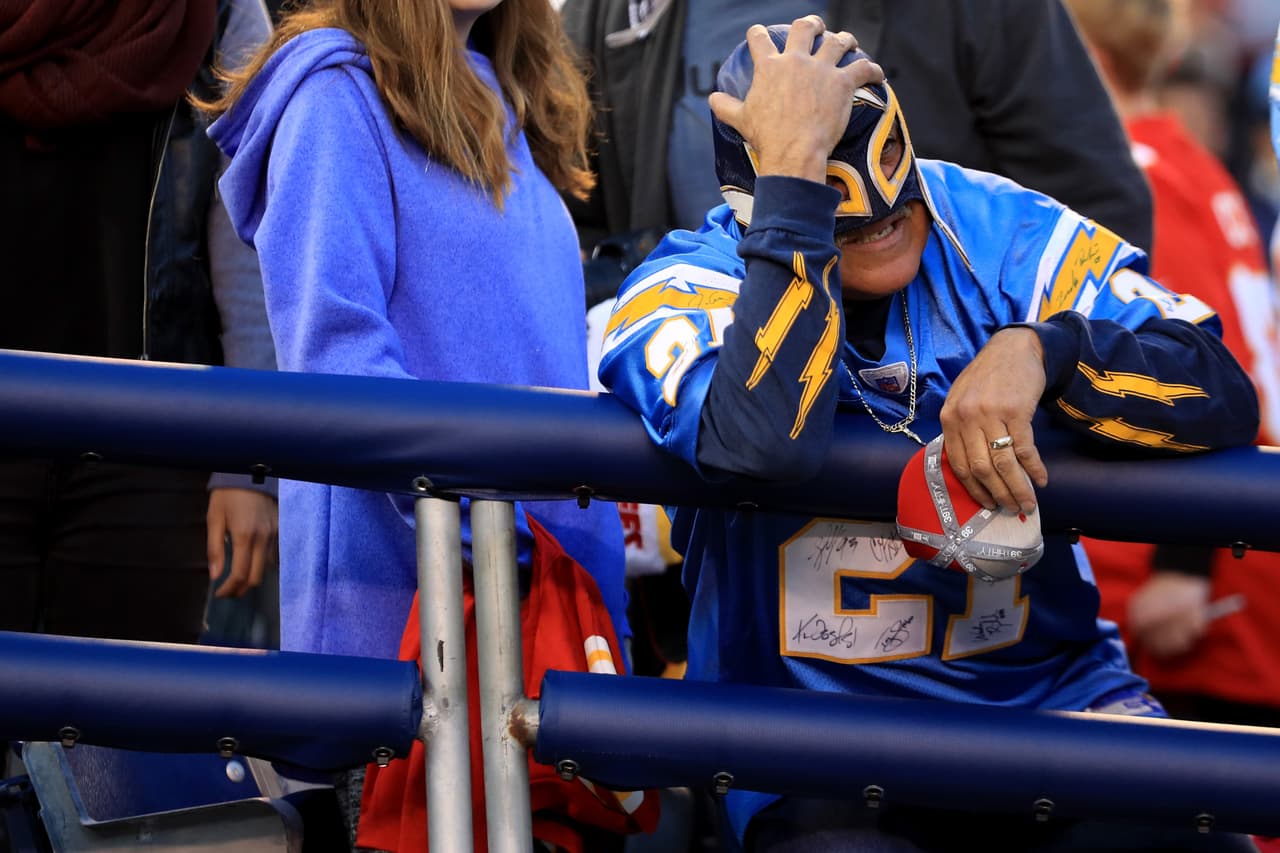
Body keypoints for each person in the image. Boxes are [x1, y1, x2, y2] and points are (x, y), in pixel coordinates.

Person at [598, 17, 1261, 852]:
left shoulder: (991, 226)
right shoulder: (685, 285)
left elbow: (1217, 380)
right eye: (828, 185)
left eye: (890, 191)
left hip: (1046, 699)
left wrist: (1046, 349)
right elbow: (761, 443)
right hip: (812, 740)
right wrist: (795, 202)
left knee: (1200, 839)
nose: (880, 220)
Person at [199, 0, 632, 846]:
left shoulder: (520, 96)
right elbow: (340, 360)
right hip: (412, 660)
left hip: (557, 658)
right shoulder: (333, 93)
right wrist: (496, 553)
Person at [562, 0, 1155, 306]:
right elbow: (571, 217)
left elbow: (1097, 209)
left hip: (934, 424)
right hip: (713, 420)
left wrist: (1021, 351)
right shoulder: (611, 10)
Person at [0, 0, 278, 645]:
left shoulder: (218, 14)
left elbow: (248, 250)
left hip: (150, 445)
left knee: (129, 732)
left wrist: (249, 467)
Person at [1065, 0, 1280, 731]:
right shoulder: (1185, 158)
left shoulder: (1138, 177)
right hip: (1222, 557)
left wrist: (1184, 565)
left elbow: (1213, 367)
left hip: (1204, 587)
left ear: (1086, 60)